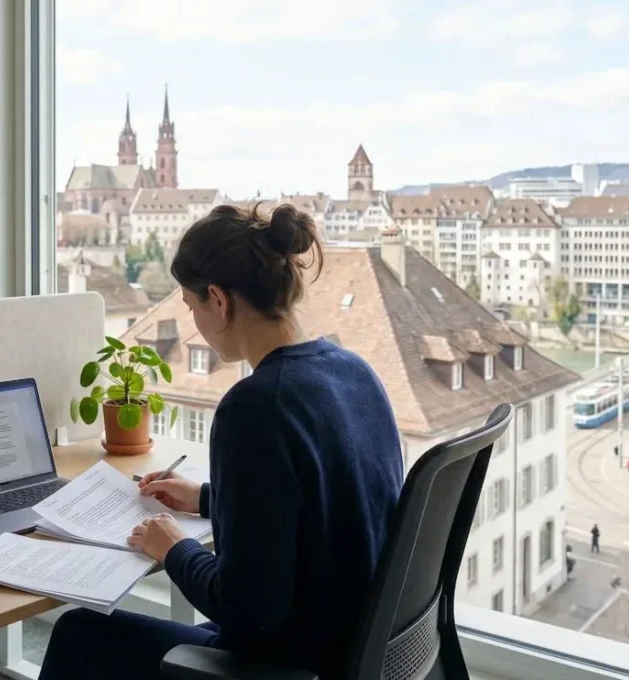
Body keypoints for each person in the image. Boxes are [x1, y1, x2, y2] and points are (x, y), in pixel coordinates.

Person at [39, 204, 405, 680]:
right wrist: (209, 498)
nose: (195, 322)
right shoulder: (355, 371)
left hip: (290, 661)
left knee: (78, 632)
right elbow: (327, 503)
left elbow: (247, 610)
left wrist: (173, 548)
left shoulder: (255, 406)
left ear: (217, 299)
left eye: (191, 307)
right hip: (356, 645)